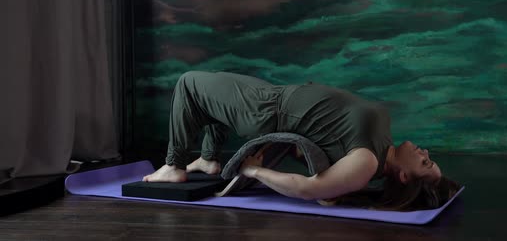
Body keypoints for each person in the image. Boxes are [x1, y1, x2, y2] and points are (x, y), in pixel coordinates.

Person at [143, 71, 457, 209]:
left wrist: (253, 171)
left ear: (404, 176)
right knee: (212, 88)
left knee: (189, 84)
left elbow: (310, 189)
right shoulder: (381, 145)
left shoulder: (366, 163)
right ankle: (209, 159)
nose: (424, 152)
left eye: (425, 162)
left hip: (267, 110)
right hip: (272, 98)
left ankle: (174, 165)